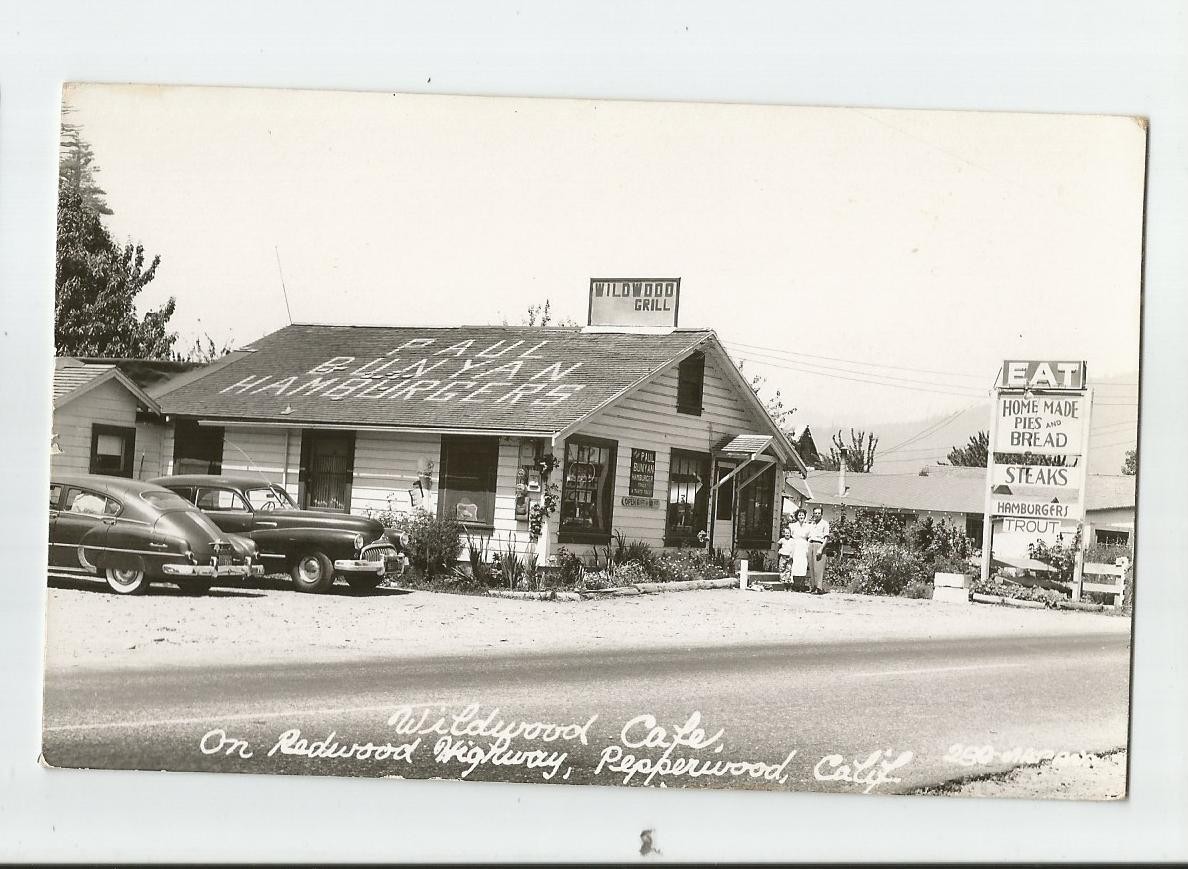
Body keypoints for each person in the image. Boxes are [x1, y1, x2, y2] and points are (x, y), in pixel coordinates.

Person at [806, 506, 831, 594]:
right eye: (815, 513)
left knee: (818, 568)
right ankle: (813, 586)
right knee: (811, 567)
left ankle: (819, 588)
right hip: (811, 545)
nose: (817, 515)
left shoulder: (825, 523)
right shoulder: (812, 524)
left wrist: (821, 549)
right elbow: (809, 536)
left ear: (821, 514)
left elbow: (826, 538)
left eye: (819, 513)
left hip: (819, 545)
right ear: (813, 514)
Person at [789, 508, 811, 590]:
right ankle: (795, 584)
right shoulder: (792, 526)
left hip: (804, 546)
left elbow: (809, 537)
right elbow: (790, 536)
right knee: (795, 564)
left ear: (805, 516)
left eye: (803, 515)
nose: (801, 516)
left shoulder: (808, 526)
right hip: (795, 545)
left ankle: (801, 585)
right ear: (797, 516)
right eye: (799, 515)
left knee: (803, 564)